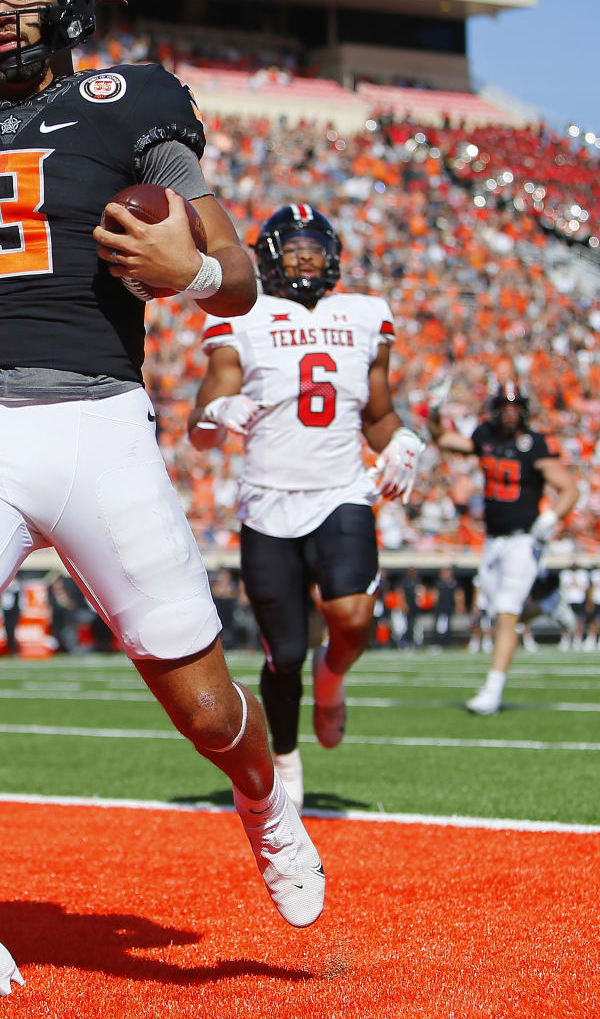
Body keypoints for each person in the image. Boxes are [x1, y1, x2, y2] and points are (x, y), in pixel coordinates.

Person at [0, 0, 324, 1019]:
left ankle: (263, 794)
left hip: (100, 422)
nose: (0, 12)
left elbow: (239, 274)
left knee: (209, 712)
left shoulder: (137, 103)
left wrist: (193, 273)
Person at [187, 205, 424, 805]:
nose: (303, 259)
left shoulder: (366, 315)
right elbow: (200, 425)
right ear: (269, 257)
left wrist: (400, 441)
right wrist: (219, 413)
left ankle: (333, 677)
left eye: (312, 249)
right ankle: (286, 759)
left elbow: (377, 414)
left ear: (333, 257)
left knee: (350, 618)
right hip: (268, 501)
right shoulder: (244, 315)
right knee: (283, 652)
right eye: (292, 249)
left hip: (341, 490)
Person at [431, 385, 579, 716]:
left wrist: (551, 517)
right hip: (494, 539)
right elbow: (443, 439)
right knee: (499, 613)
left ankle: (492, 690)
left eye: (516, 407)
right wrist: (434, 408)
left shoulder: (535, 445)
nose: (510, 413)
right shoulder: (484, 435)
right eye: (504, 407)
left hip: (524, 539)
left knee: (506, 610)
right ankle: (547, 603)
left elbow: (569, 489)